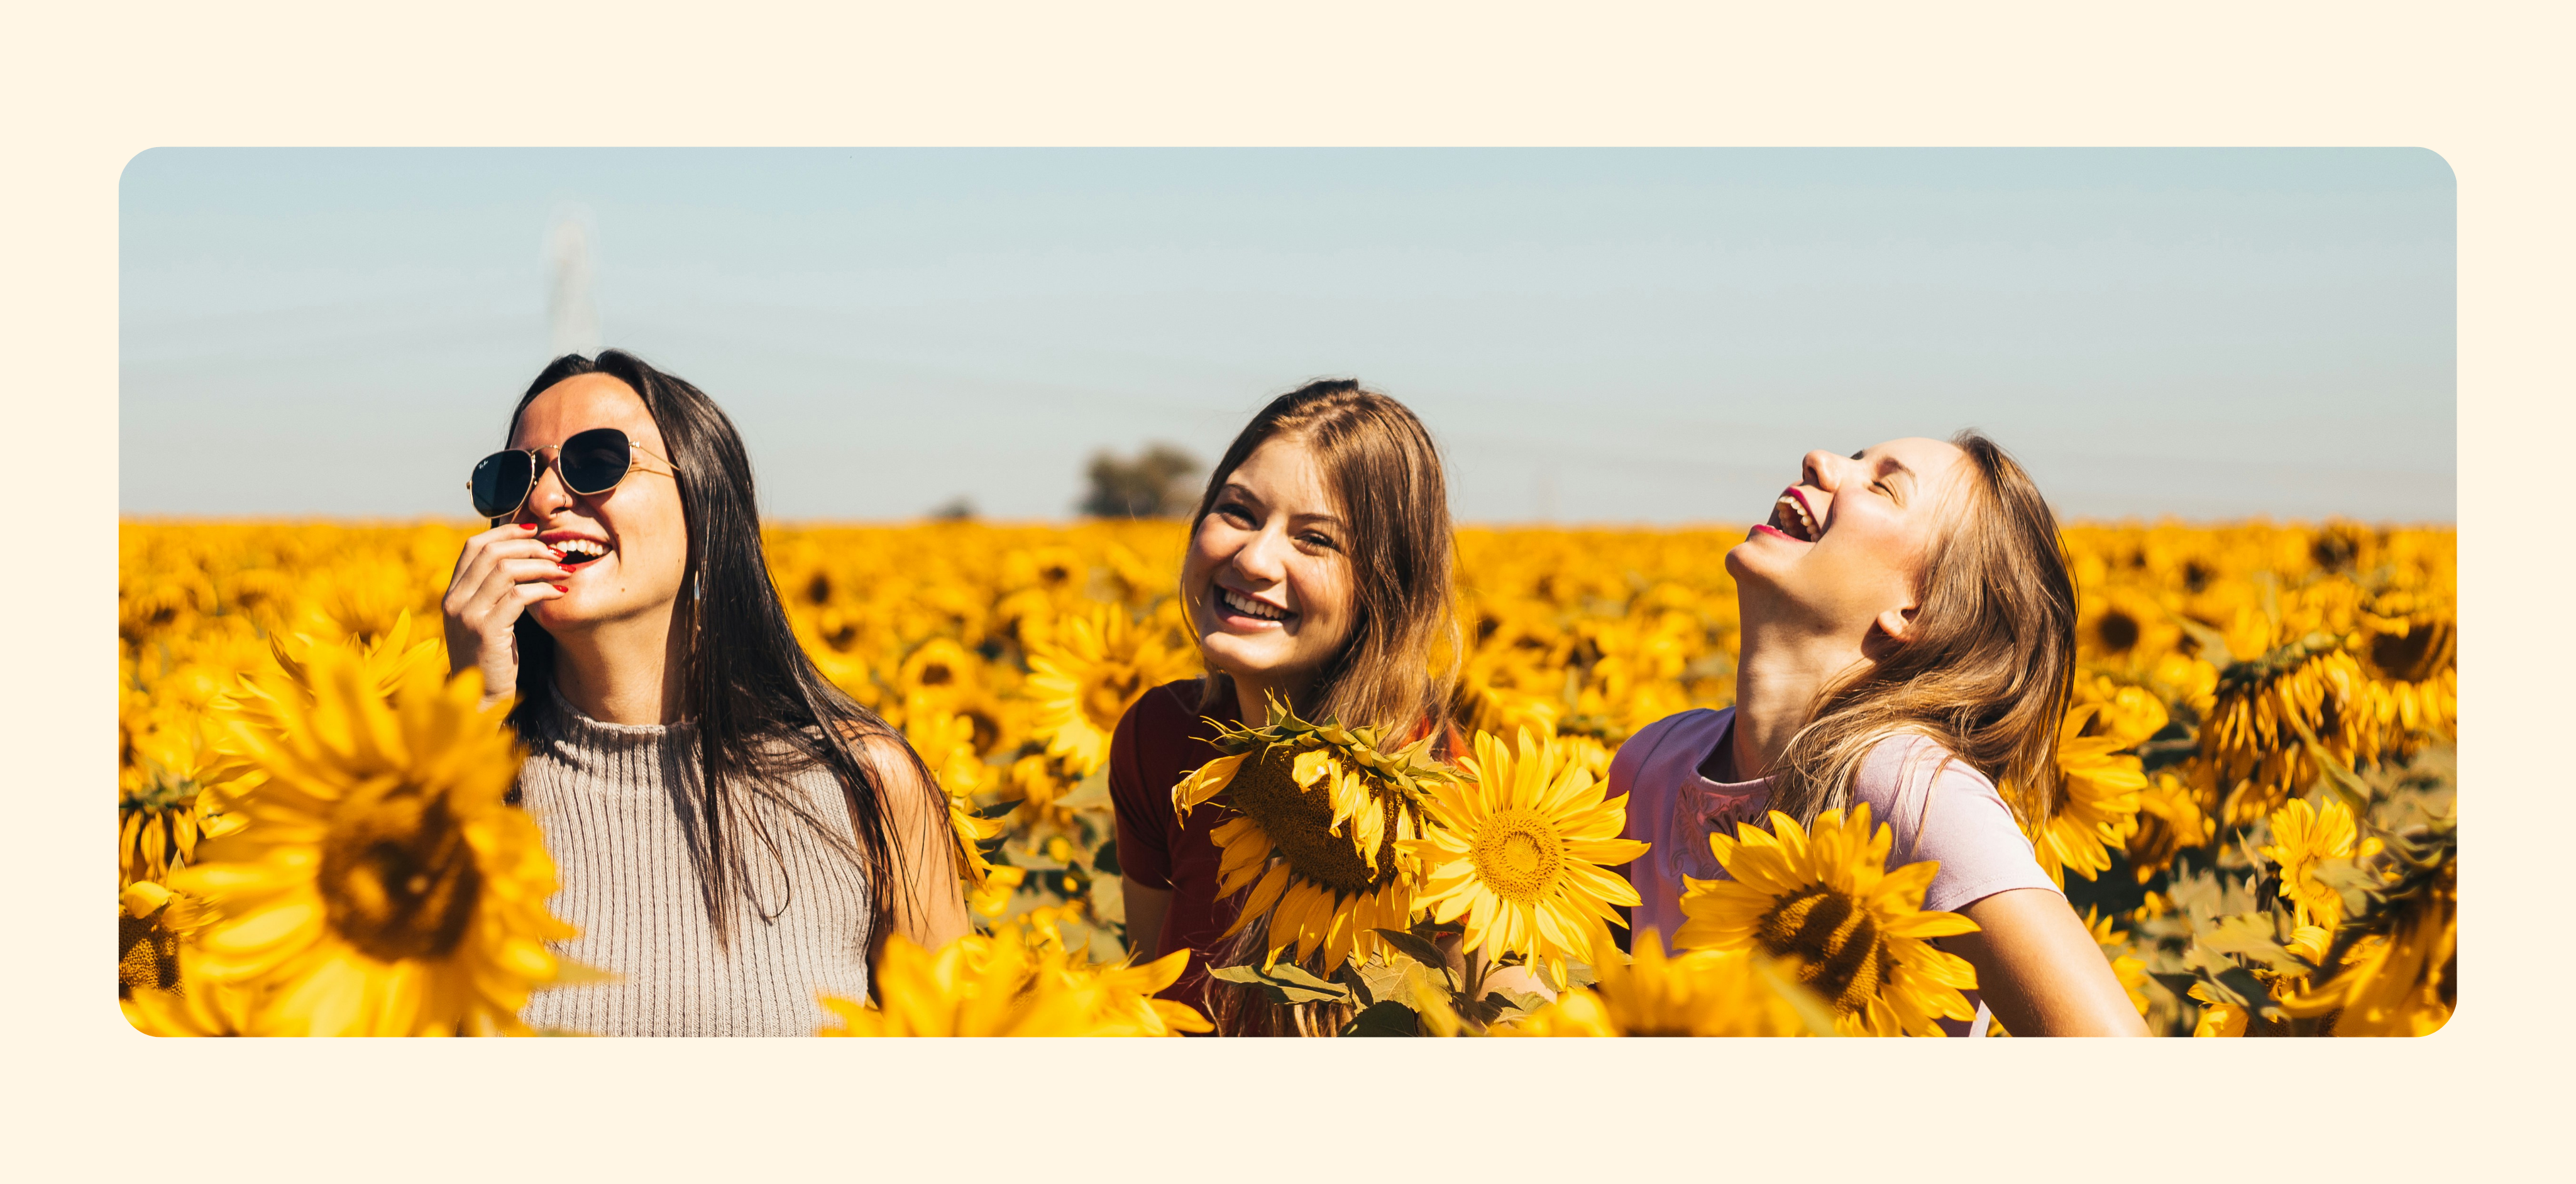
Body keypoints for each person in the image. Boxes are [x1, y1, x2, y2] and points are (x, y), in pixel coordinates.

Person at [441, 349, 969, 1036]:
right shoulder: (425, 791)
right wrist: (465, 727)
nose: (542, 500)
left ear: (706, 502)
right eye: (513, 476)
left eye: (596, 460)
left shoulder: (864, 783)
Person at [1612, 432, 2149, 1036]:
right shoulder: (1653, 763)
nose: (1819, 460)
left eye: (1883, 485)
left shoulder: (1915, 794)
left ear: (1916, 611)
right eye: (1856, 457)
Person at [1108, 379, 1464, 1036]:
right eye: (1239, 512)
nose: (1254, 557)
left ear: (1387, 587)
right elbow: (1151, 1000)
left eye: (1316, 540)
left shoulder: (1450, 792)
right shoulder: (1161, 741)